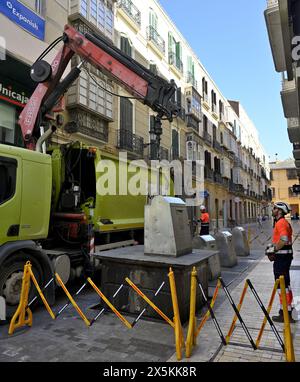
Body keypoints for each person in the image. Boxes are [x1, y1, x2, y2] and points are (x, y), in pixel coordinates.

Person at [265, 201, 295, 323]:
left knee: (281, 285)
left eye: (275, 208)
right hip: (284, 258)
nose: (273, 210)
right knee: (285, 285)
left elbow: (284, 239)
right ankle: (286, 311)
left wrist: (273, 250)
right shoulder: (284, 223)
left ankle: (285, 314)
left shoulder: (281, 223)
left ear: (280, 211)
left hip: (282, 260)